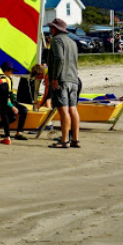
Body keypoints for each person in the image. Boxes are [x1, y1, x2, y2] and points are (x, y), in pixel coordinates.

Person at [46, 18, 81, 149]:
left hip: (61, 80)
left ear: (56, 29)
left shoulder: (57, 40)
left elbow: (59, 59)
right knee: (73, 109)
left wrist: (55, 77)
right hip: (74, 79)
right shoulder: (73, 42)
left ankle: (65, 140)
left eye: (52, 27)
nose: (50, 30)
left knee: (63, 110)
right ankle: (75, 140)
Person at [0, 62, 30, 140]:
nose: (12, 72)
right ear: (5, 70)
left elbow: (10, 93)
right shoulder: (1, 80)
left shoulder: (10, 79)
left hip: (10, 101)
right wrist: (12, 106)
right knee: (12, 117)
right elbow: (2, 96)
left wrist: (14, 101)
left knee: (24, 110)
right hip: (3, 102)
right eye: (10, 70)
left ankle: (19, 132)